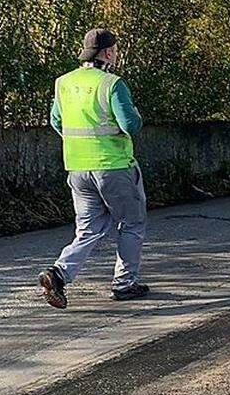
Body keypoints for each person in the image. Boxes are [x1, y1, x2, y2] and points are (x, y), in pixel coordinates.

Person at [39, 28, 148, 309]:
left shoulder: (63, 83)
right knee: (131, 223)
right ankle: (124, 284)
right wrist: (137, 114)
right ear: (109, 53)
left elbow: (56, 121)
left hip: (77, 168)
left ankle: (58, 273)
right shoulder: (112, 84)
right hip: (114, 167)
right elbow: (130, 125)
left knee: (88, 229)